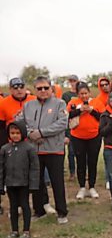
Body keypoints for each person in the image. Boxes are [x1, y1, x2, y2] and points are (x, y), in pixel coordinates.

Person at [18, 76, 69, 224]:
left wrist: (41, 132)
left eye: (46, 88)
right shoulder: (28, 106)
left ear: (51, 88)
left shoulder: (60, 104)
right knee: (36, 182)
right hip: (34, 150)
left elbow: (62, 123)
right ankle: (39, 210)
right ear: (35, 90)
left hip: (54, 150)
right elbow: (21, 123)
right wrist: (30, 134)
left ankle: (62, 212)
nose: (43, 91)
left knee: (57, 182)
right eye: (39, 88)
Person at [0, 121, 39, 238]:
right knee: (13, 207)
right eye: (12, 133)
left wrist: (33, 184)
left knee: (25, 205)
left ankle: (26, 230)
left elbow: (34, 168)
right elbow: (1, 168)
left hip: (24, 184)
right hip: (10, 183)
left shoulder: (29, 148)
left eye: (17, 133)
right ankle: (14, 230)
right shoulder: (5, 149)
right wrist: (1, 185)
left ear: (22, 133)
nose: (15, 135)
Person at [67, 82, 105, 200]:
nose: (84, 96)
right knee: (80, 162)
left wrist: (91, 110)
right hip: (77, 137)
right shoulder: (73, 102)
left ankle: (92, 186)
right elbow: (67, 115)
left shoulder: (96, 102)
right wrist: (79, 110)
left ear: (89, 92)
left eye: (85, 93)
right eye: (81, 94)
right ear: (77, 94)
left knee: (92, 162)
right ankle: (82, 186)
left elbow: (102, 117)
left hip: (94, 136)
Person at [62, 74, 79, 181]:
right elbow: (64, 112)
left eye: (74, 81)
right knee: (71, 152)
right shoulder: (66, 95)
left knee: (82, 152)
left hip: (81, 123)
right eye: (71, 81)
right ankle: (72, 172)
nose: (72, 83)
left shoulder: (81, 93)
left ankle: (83, 171)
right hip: (70, 123)